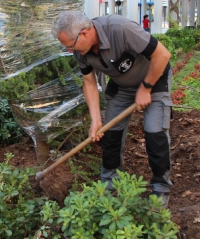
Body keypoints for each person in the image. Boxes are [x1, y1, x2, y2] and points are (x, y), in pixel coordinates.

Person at [52, 11, 173, 206]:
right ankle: (110, 183)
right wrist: (95, 119)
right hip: (122, 85)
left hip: (154, 79)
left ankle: (161, 187)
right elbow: (89, 83)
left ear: (84, 33)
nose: (69, 51)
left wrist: (146, 87)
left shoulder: (120, 29)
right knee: (110, 133)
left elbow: (162, 54)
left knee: (154, 132)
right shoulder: (80, 51)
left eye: (70, 46)